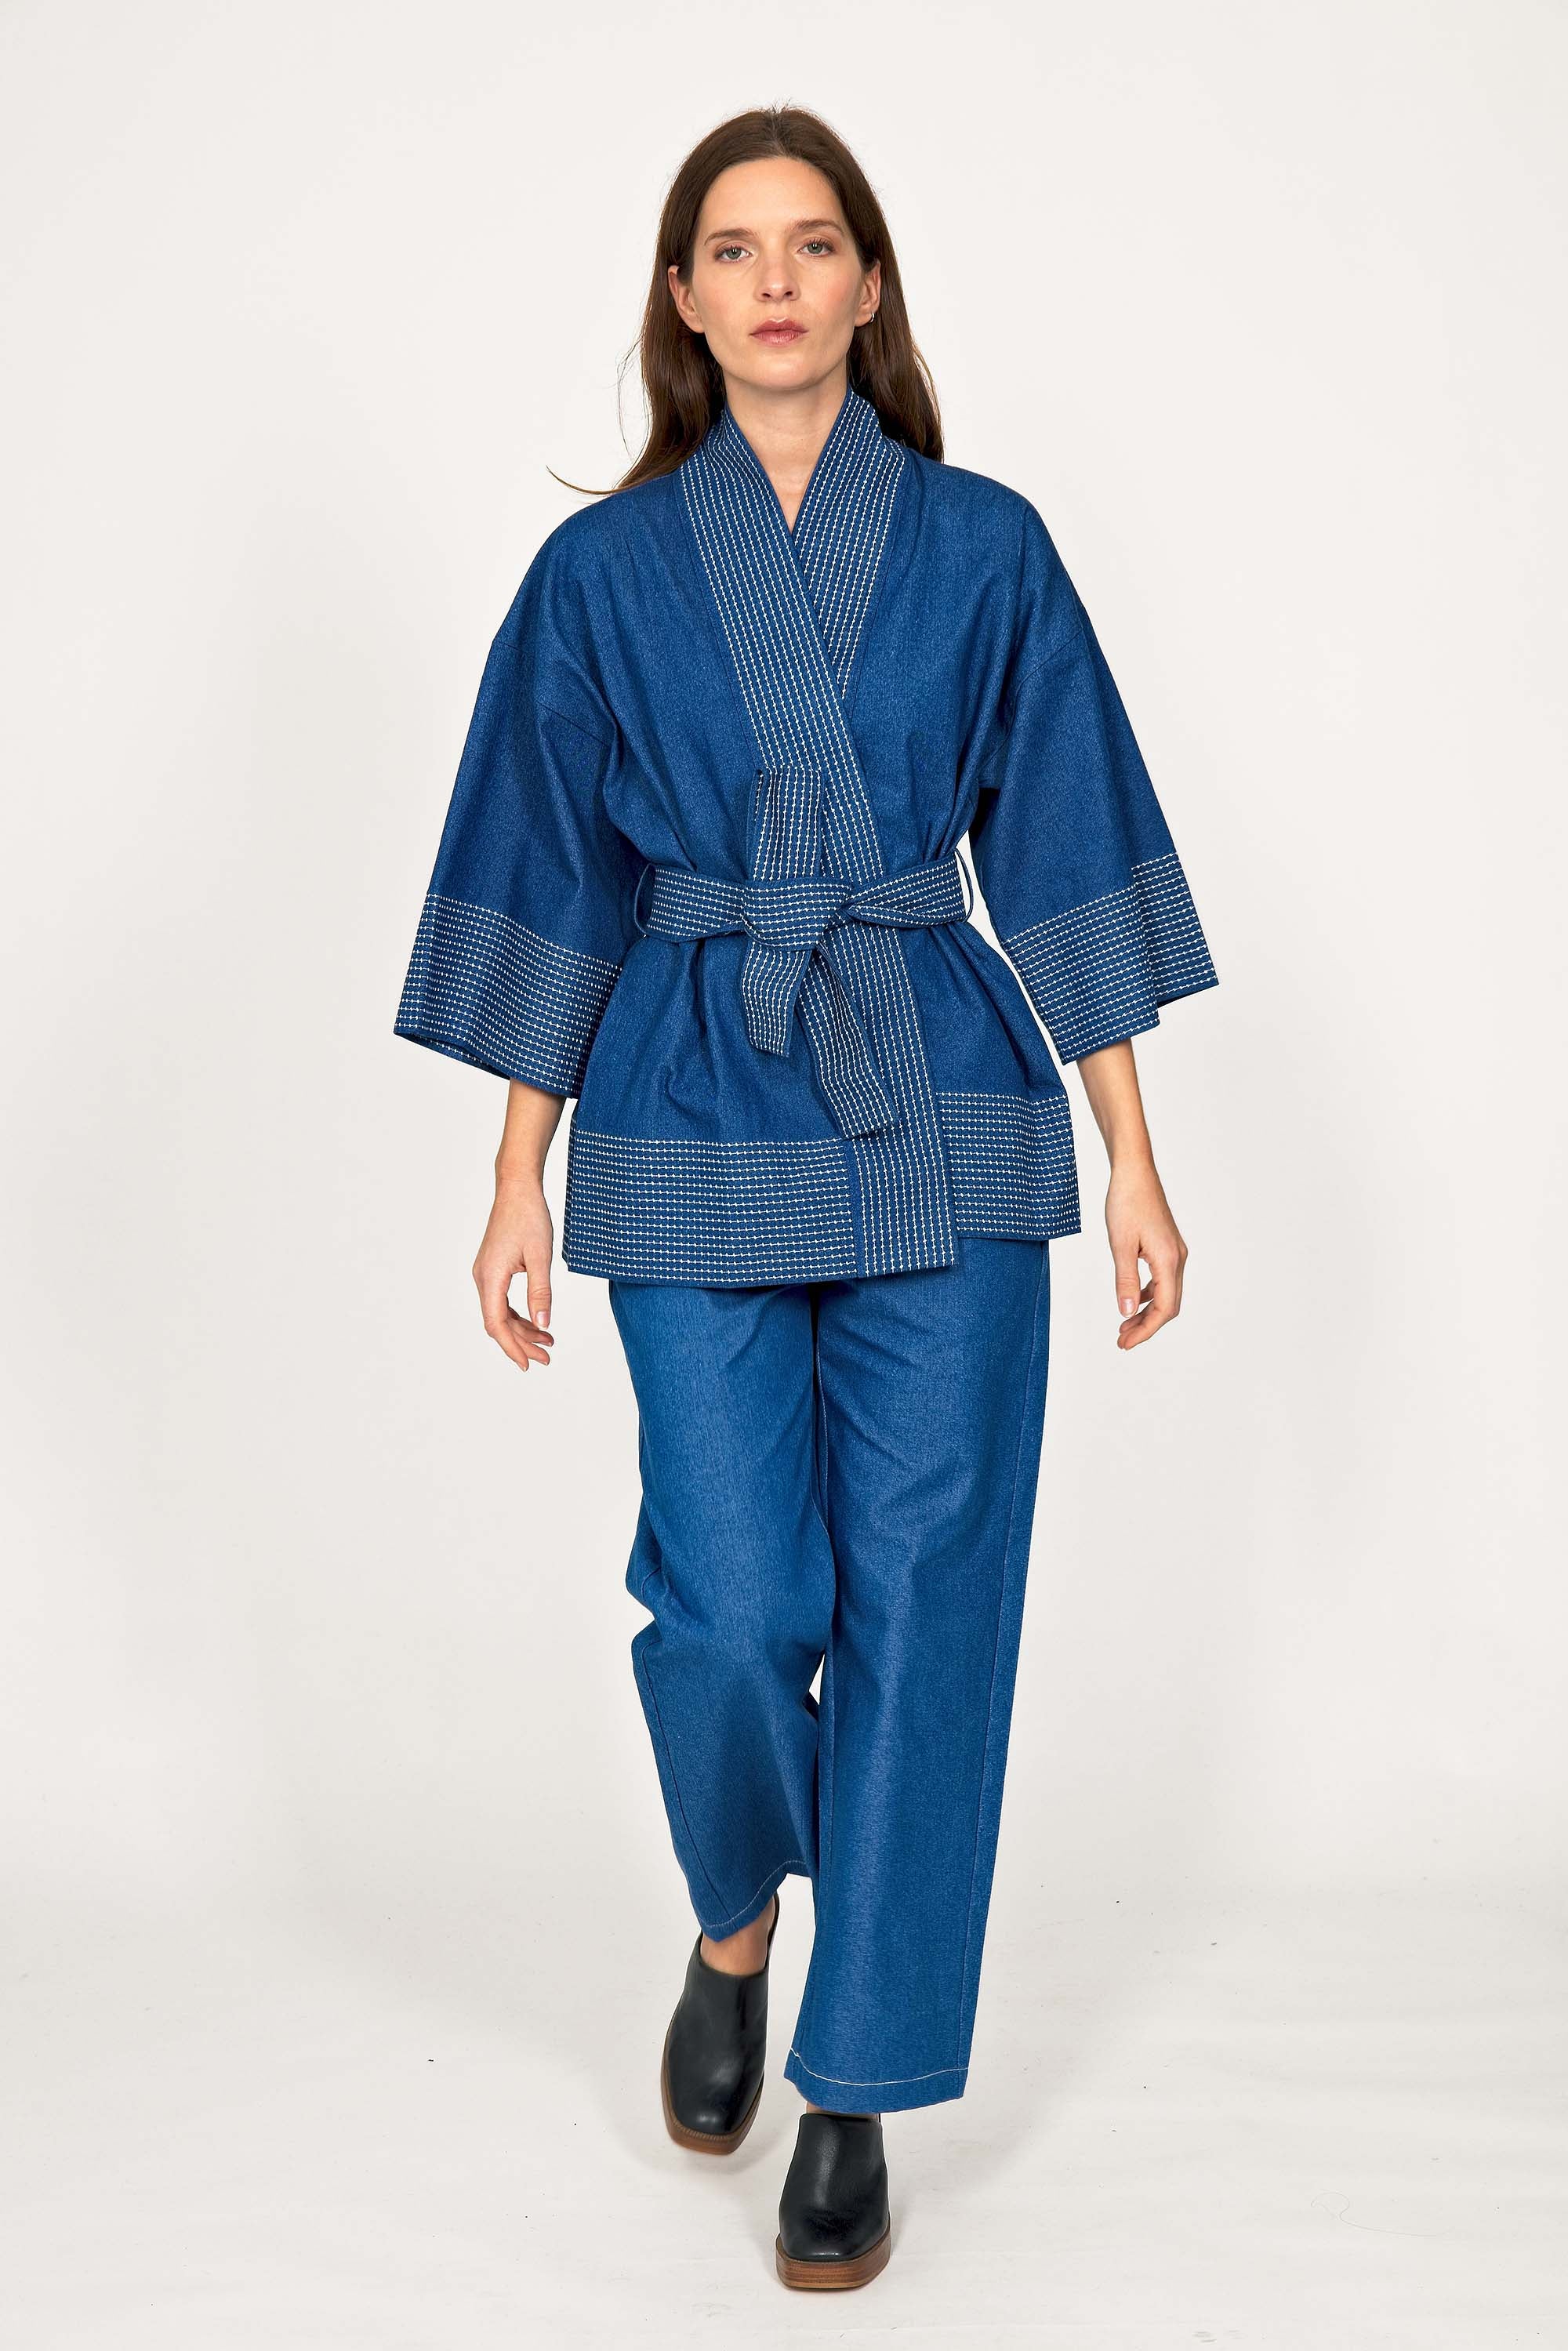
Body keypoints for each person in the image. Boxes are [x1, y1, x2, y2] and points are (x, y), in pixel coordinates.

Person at [393, 103, 1218, 2293]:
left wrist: (1134, 1157)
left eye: (816, 242)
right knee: (739, 1600)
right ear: (683, 297)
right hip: (687, 1091)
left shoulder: (985, 547)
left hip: (945, 1100)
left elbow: (1060, 839)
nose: (776, 280)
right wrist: (514, 1176)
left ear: (867, 287)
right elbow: (548, 873)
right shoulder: (598, 578)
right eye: (736, 248)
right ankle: (737, 1918)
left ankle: (853, 2081)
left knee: (932, 1598)